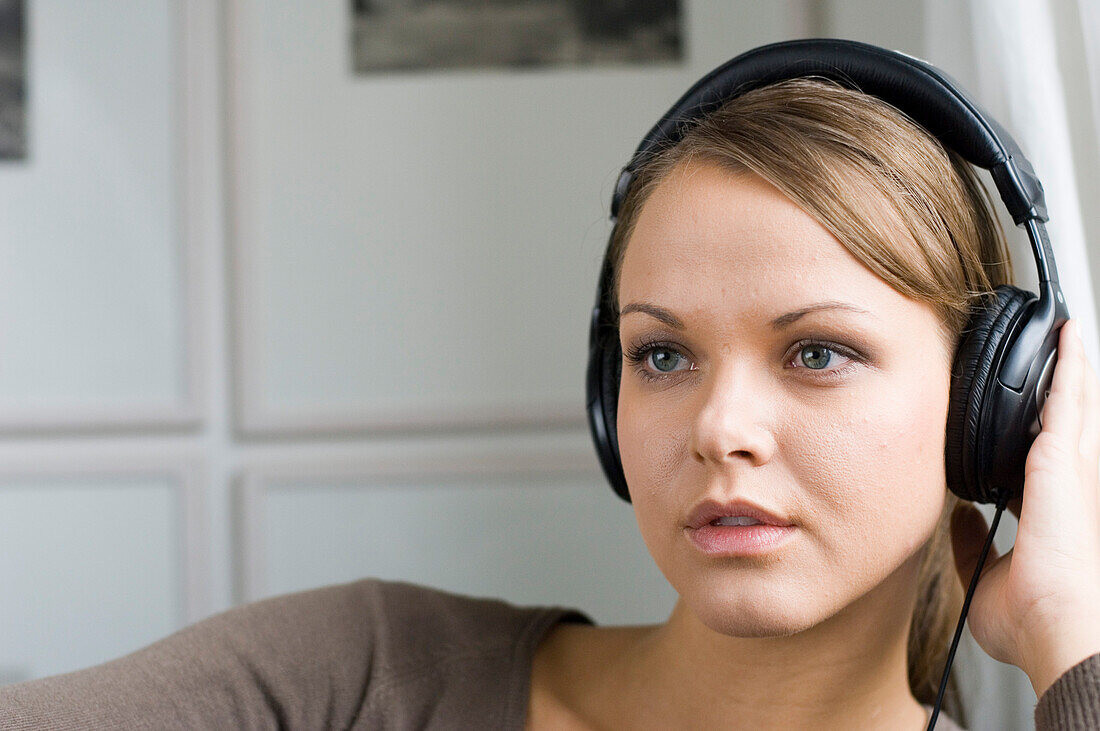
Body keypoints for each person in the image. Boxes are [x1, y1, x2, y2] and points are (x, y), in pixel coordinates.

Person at [2, 43, 1099, 730]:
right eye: (660, 355)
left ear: (988, 409)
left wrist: (1070, 633)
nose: (719, 428)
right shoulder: (362, 674)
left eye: (815, 351)